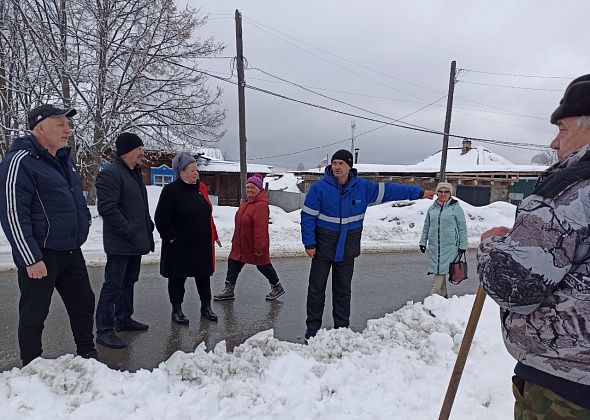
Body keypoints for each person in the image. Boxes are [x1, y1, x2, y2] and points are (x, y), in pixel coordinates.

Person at [477, 74, 590, 418]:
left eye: (563, 129)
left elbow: (519, 285)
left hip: (565, 388)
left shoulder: (569, 190)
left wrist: (492, 245)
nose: (555, 143)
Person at [300, 149, 435, 341]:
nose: (337, 167)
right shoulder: (319, 188)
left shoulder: (362, 187)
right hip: (323, 247)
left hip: (347, 248)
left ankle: (342, 330)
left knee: (343, 291)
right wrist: (309, 242)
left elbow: (390, 190)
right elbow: (307, 217)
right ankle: (312, 330)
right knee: (316, 290)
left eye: (341, 163)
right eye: (334, 163)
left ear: (349, 166)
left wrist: (419, 193)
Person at [0, 104, 98, 366]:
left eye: (68, 124)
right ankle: (32, 368)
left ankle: (88, 357)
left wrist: (84, 222)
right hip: (40, 253)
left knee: (84, 303)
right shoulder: (20, 161)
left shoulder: (65, 159)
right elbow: (12, 212)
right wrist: (30, 257)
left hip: (70, 249)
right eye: (61, 124)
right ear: (41, 127)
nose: (68, 129)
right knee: (34, 314)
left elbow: (75, 200)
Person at [95, 132, 154, 349]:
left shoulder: (133, 173)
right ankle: (104, 329)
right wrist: (128, 230)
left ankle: (123, 318)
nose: (142, 153)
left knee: (129, 281)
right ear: (128, 150)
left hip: (134, 241)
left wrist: (147, 226)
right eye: (139, 149)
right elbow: (107, 208)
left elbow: (138, 207)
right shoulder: (111, 174)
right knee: (113, 285)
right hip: (121, 242)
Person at [154, 152, 219, 324]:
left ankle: (206, 307)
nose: (195, 173)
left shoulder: (201, 189)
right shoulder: (170, 191)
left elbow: (208, 215)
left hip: (200, 243)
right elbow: (161, 218)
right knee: (177, 278)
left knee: (203, 277)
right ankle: (177, 310)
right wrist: (172, 237)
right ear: (181, 171)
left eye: (196, 169)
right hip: (179, 245)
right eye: (191, 170)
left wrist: (213, 233)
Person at [214, 174, 285, 301]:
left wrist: (259, 248)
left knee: (263, 265)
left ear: (259, 189)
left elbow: (260, 228)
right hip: (240, 242)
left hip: (254, 244)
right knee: (233, 262)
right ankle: (229, 290)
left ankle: (277, 286)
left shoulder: (261, 205)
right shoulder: (245, 202)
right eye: (247, 187)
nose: (249, 190)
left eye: (253, 187)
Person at [419, 182, 468, 298]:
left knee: (440, 272)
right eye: (440, 191)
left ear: (450, 193)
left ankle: (432, 298)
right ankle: (444, 298)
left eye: (446, 192)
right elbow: (427, 226)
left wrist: (463, 245)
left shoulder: (456, 208)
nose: (443, 194)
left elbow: (462, 227)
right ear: (437, 193)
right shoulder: (432, 208)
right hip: (435, 246)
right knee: (440, 270)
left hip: (450, 246)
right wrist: (422, 241)